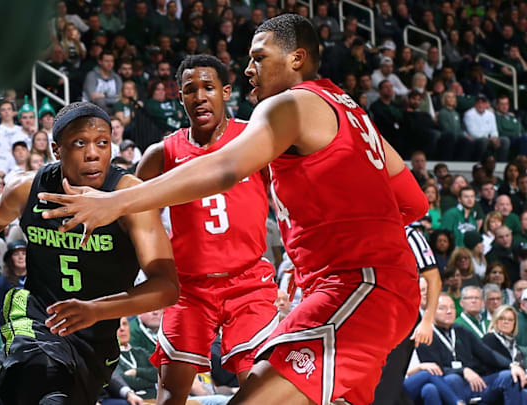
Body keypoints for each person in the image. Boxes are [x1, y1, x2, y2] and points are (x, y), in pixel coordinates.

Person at [38, 14, 428, 405]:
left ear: (297, 58)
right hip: (363, 288)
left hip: (352, 285)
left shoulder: (289, 104)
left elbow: (225, 168)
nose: (249, 69)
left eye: (259, 57)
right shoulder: (352, 111)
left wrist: (114, 201)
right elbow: (414, 202)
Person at [0, 101, 179, 405]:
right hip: (36, 318)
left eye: (103, 143)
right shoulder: (27, 188)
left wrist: (96, 310)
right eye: (80, 143)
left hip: (94, 337)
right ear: (57, 150)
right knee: (37, 380)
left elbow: (167, 288)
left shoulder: (130, 197)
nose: (93, 153)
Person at [136, 54, 278, 405]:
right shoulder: (163, 152)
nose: (199, 96)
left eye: (208, 87)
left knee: (261, 391)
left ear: (226, 92)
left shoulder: (254, 139)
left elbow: (288, 202)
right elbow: (133, 215)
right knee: (170, 394)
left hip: (247, 282)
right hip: (188, 287)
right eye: (190, 90)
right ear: (180, 98)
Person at [372, 224, 443, 404]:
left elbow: (434, 278)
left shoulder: (409, 234)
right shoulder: (363, 230)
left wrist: (427, 321)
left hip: (400, 319)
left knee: (386, 384)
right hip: (370, 317)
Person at [417, 294, 527, 404]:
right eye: (442, 308)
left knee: (510, 376)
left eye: (452, 307)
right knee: (453, 379)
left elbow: (487, 353)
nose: (449, 311)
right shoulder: (426, 335)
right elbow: (434, 370)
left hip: (475, 384)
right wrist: (462, 371)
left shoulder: (461, 330)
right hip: (448, 386)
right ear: (430, 311)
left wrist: (511, 365)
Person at [116, 316, 157, 400]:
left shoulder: (141, 352)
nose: (122, 329)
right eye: (118, 326)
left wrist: (137, 372)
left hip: (154, 398)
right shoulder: (111, 357)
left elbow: (159, 373)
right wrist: (151, 382)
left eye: (125, 324)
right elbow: (122, 381)